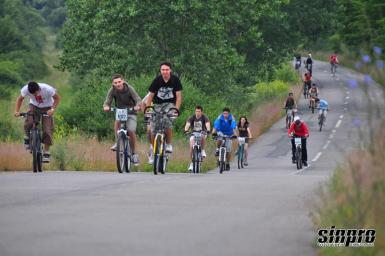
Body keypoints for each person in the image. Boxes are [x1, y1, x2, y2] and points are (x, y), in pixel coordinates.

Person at [14, 81, 61, 162]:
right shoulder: (26, 89)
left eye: (36, 93)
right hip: (34, 106)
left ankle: (46, 152)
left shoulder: (47, 89)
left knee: (47, 130)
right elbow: (20, 99)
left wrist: (52, 109)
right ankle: (27, 137)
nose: (35, 95)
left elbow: (57, 98)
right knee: (29, 121)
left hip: (48, 107)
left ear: (39, 89)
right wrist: (17, 111)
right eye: (33, 94)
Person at [103, 74, 143, 165]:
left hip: (131, 112)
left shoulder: (129, 89)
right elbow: (107, 100)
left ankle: (133, 154)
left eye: (119, 82)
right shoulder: (112, 90)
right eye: (115, 83)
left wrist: (137, 106)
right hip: (120, 111)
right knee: (117, 122)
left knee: (131, 130)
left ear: (123, 81)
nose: (118, 84)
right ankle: (118, 141)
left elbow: (138, 99)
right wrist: (106, 106)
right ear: (113, 84)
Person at [145, 62, 182, 154]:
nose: (165, 72)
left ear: (170, 70)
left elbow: (179, 96)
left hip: (170, 104)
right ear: (160, 71)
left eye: (166, 69)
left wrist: (176, 109)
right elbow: (150, 96)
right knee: (152, 129)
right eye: (163, 70)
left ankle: (169, 144)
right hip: (157, 105)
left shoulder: (175, 80)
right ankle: (154, 149)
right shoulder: (157, 80)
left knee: (167, 121)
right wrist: (148, 108)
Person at [184, 105, 211, 171]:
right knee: (191, 146)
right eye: (196, 111)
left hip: (202, 133)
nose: (197, 113)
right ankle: (191, 163)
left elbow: (207, 124)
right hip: (194, 133)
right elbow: (187, 124)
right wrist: (186, 130)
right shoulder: (192, 117)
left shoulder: (204, 117)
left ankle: (202, 150)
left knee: (203, 135)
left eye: (199, 111)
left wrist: (208, 130)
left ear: (201, 112)